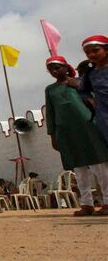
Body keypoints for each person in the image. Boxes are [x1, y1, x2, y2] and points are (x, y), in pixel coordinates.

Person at [46, 54, 108, 216]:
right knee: (79, 170)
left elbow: (95, 101)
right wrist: (52, 135)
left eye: (58, 67)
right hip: (66, 132)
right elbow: (51, 113)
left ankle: (107, 201)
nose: (55, 70)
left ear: (66, 67)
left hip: (88, 127)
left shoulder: (80, 82)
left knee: (99, 166)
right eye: (51, 69)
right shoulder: (50, 90)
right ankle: (86, 204)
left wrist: (79, 86)